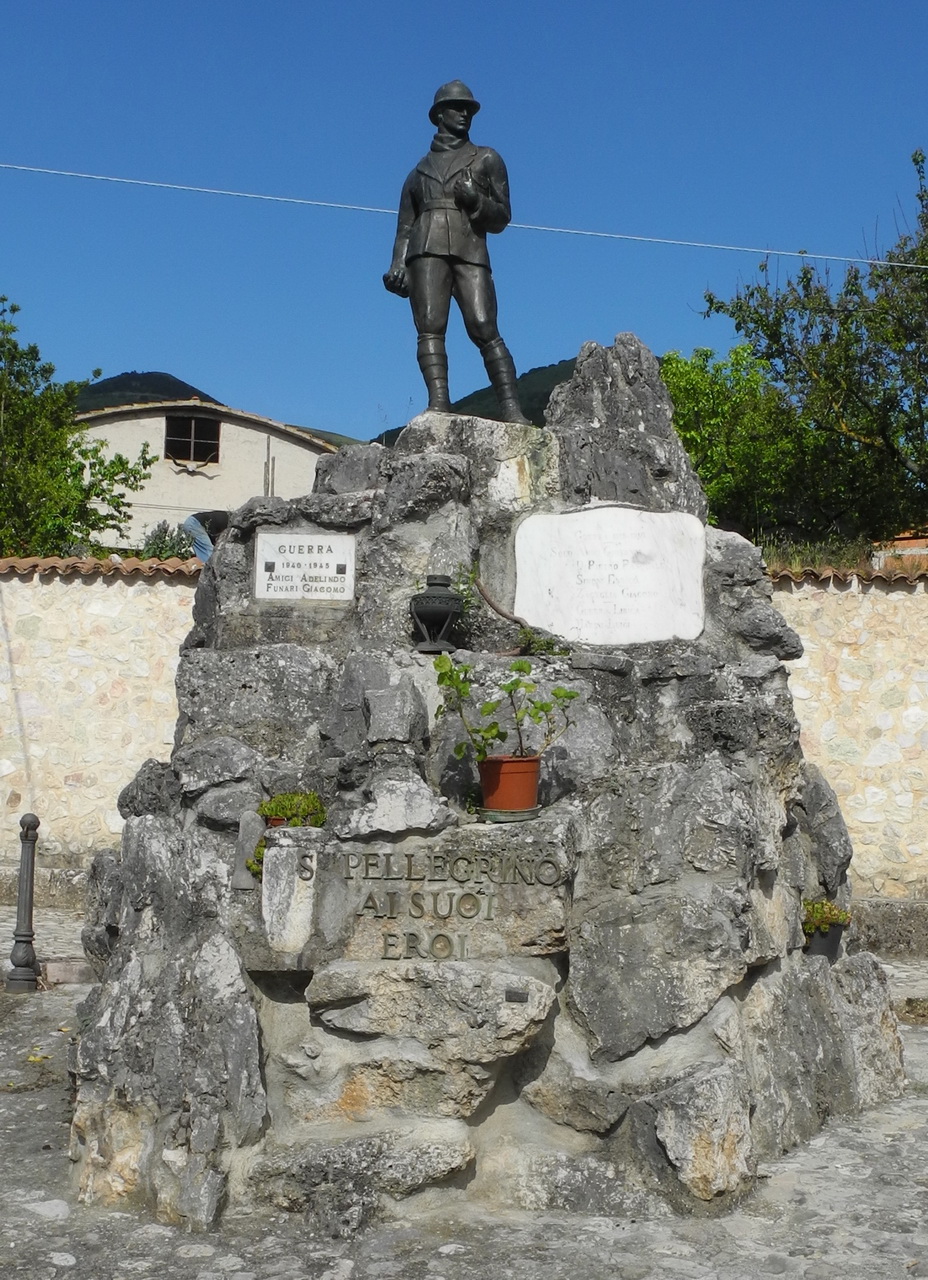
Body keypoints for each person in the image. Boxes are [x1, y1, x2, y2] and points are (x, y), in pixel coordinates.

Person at [383, 80, 529, 425]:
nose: (465, 114)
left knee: (483, 325)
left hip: (470, 248)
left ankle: (511, 408)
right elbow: (405, 226)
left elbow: (503, 217)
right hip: (425, 249)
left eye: (469, 109)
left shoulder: (487, 158)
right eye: (457, 107)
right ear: (438, 115)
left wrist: (476, 200)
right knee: (431, 327)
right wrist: (396, 264)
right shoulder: (417, 173)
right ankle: (439, 404)